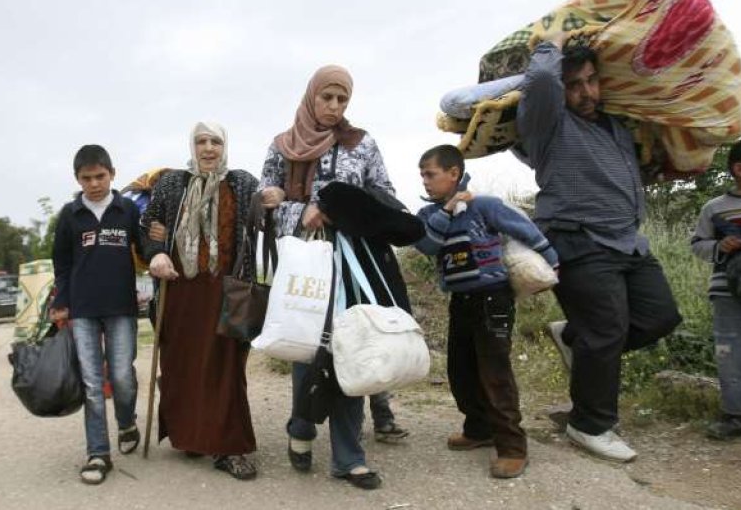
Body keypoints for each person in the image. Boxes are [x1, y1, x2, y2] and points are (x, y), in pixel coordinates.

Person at [516, 32, 682, 462]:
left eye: (591, 80)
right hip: (576, 238)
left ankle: (575, 337)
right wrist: (550, 44)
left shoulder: (615, 128)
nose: (586, 92)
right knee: (606, 329)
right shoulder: (547, 123)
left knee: (660, 316)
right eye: (574, 84)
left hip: (627, 242)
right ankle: (589, 424)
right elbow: (539, 84)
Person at [260, 65, 409, 490]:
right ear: (312, 97)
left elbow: (386, 197)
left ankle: (349, 457)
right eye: (327, 97)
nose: (334, 106)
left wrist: (343, 208)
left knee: (352, 351)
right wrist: (298, 210)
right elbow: (265, 209)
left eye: (342, 99)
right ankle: (301, 427)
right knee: (308, 349)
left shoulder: (363, 144)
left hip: (356, 263)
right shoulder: (282, 147)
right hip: (306, 265)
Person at [414, 144, 559, 478]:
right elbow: (426, 245)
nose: (424, 181)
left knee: (494, 372)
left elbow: (526, 230)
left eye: (430, 174)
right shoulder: (430, 217)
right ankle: (479, 430)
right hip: (460, 302)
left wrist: (552, 263)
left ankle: (512, 447)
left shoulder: (485, 206)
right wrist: (448, 209)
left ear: (453, 174)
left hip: (493, 298)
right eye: (422, 175)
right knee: (460, 371)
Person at [143, 122, 260, 480]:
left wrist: (272, 201)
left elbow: (265, 220)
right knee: (183, 363)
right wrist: (156, 254)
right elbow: (148, 224)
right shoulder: (171, 183)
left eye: (216, 141)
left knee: (225, 367)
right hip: (180, 290)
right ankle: (191, 436)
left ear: (226, 145)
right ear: (192, 146)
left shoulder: (242, 182)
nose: (208, 148)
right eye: (201, 141)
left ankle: (229, 447)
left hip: (228, 289)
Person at [51, 144, 141, 485]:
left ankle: (127, 421)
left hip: (121, 307)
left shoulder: (127, 210)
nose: (94, 184)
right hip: (83, 310)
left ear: (112, 174)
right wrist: (62, 299)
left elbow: (146, 248)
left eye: (100, 176)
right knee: (92, 383)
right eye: (86, 178)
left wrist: (156, 242)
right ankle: (98, 454)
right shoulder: (69, 214)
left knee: (120, 375)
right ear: (77, 179)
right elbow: (61, 261)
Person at [690, 138, 741, 440]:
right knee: (732, 353)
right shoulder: (714, 209)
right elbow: (698, 246)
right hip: (727, 292)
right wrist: (719, 245)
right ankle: (738, 415)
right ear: (740, 169)